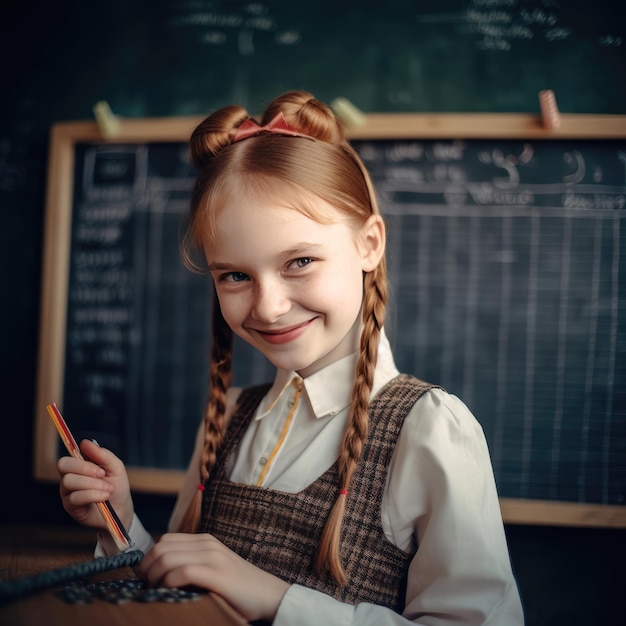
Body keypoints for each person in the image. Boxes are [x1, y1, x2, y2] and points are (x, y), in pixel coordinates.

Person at [57, 90, 524, 625]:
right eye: (234, 275)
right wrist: (120, 526)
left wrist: (278, 600)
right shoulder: (229, 416)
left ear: (369, 244)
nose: (270, 306)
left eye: (299, 261)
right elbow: (182, 589)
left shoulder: (430, 429)